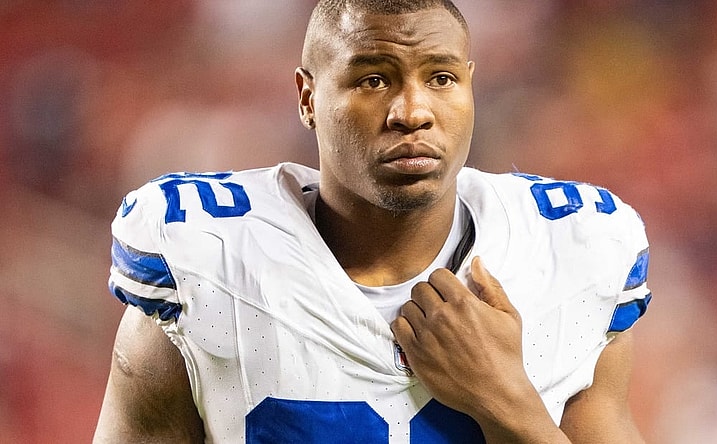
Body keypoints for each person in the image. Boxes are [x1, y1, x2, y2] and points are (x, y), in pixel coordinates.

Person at [94, 0, 652, 442]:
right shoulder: (205, 259)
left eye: (441, 78)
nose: (412, 112)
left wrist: (508, 402)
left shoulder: (572, 248)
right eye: (374, 80)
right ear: (307, 97)